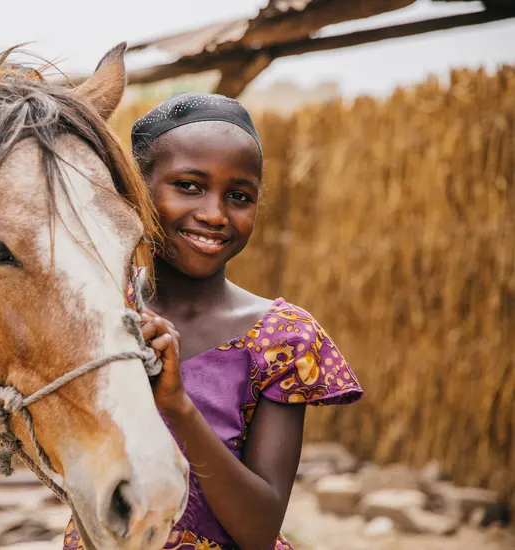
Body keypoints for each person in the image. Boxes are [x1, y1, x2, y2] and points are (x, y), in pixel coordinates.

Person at [63, 93, 364, 550]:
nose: (214, 214)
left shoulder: (282, 339)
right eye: (188, 185)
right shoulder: (101, 308)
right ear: (137, 189)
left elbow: (259, 529)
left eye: (239, 196)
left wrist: (179, 407)